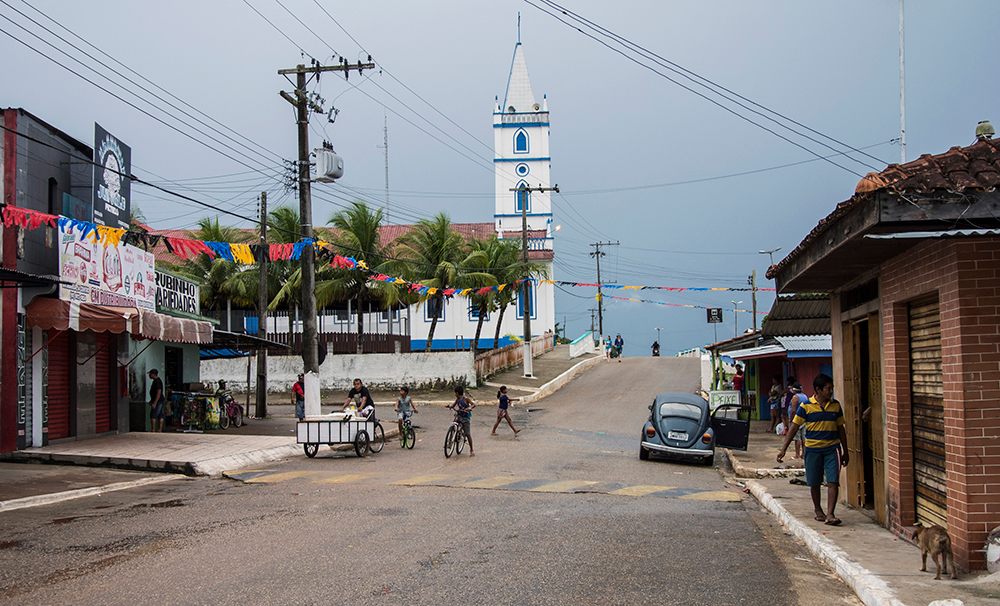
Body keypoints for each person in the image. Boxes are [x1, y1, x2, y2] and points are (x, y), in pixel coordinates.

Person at [777, 373, 849, 526]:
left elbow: (841, 429)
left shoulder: (836, 406)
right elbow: (794, 427)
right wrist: (783, 449)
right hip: (812, 449)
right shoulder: (806, 407)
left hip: (832, 449)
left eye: (831, 389)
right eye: (828, 389)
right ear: (818, 390)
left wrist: (845, 450)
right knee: (814, 481)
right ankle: (818, 510)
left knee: (833, 481)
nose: (830, 392)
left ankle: (830, 514)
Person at [448, 386, 476, 456]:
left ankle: (471, 449)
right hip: (459, 415)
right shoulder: (457, 399)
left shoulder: (466, 399)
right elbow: (454, 405)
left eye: (455, 393)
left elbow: (473, 404)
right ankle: (449, 443)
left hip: (466, 417)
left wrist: (469, 408)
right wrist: (450, 406)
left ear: (457, 393)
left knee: (467, 434)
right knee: (452, 426)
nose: (455, 394)